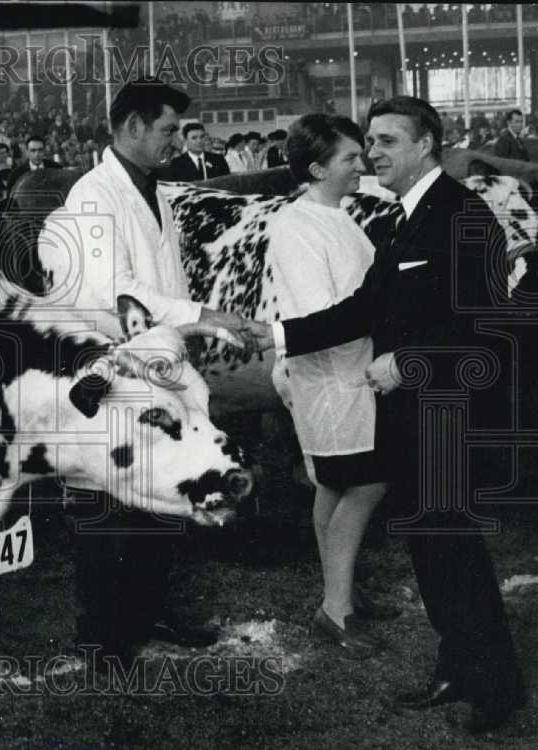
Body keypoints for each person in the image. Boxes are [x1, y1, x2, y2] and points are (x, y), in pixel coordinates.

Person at [249, 96, 527, 734]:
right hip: (411, 417)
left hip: (447, 411)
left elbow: (483, 320)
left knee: (454, 551)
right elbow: (361, 310)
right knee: (430, 551)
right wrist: (279, 336)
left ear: (426, 144)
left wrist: (410, 363)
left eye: (386, 142)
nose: (372, 153)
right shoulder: (404, 220)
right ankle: (456, 663)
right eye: (368, 142)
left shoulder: (462, 215)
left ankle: (496, 689)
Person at [37, 78, 256, 667]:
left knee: (160, 500)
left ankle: (147, 612)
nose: (174, 141)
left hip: (155, 365)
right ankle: (101, 636)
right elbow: (115, 293)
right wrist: (202, 316)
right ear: (131, 127)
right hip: (105, 374)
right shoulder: (93, 195)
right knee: (104, 507)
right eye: (165, 130)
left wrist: (187, 336)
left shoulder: (152, 191)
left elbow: (166, 284)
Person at [270, 114, 395, 660]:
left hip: (352, 369)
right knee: (367, 483)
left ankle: (341, 592)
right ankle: (335, 609)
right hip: (329, 374)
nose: (360, 164)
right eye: (349, 158)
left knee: (335, 486)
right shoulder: (296, 225)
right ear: (317, 168)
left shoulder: (337, 215)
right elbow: (321, 313)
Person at [163, 122, 228, 181]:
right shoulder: (176, 164)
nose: (199, 141)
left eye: (202, 137)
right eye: (194, 138)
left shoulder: (219, 160)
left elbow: (228, 183)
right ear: (185, 140)